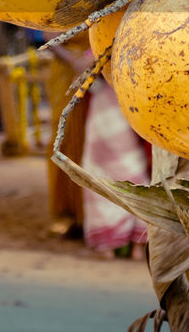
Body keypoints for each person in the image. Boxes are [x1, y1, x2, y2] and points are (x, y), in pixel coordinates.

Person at [48, 40, 149, 259]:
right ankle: (123, 243)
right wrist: (85, 61)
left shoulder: (112, 38)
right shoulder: (106, 39)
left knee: (129, 172)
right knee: (121, 172)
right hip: (110, 108)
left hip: (124, 107)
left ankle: (128, 243)